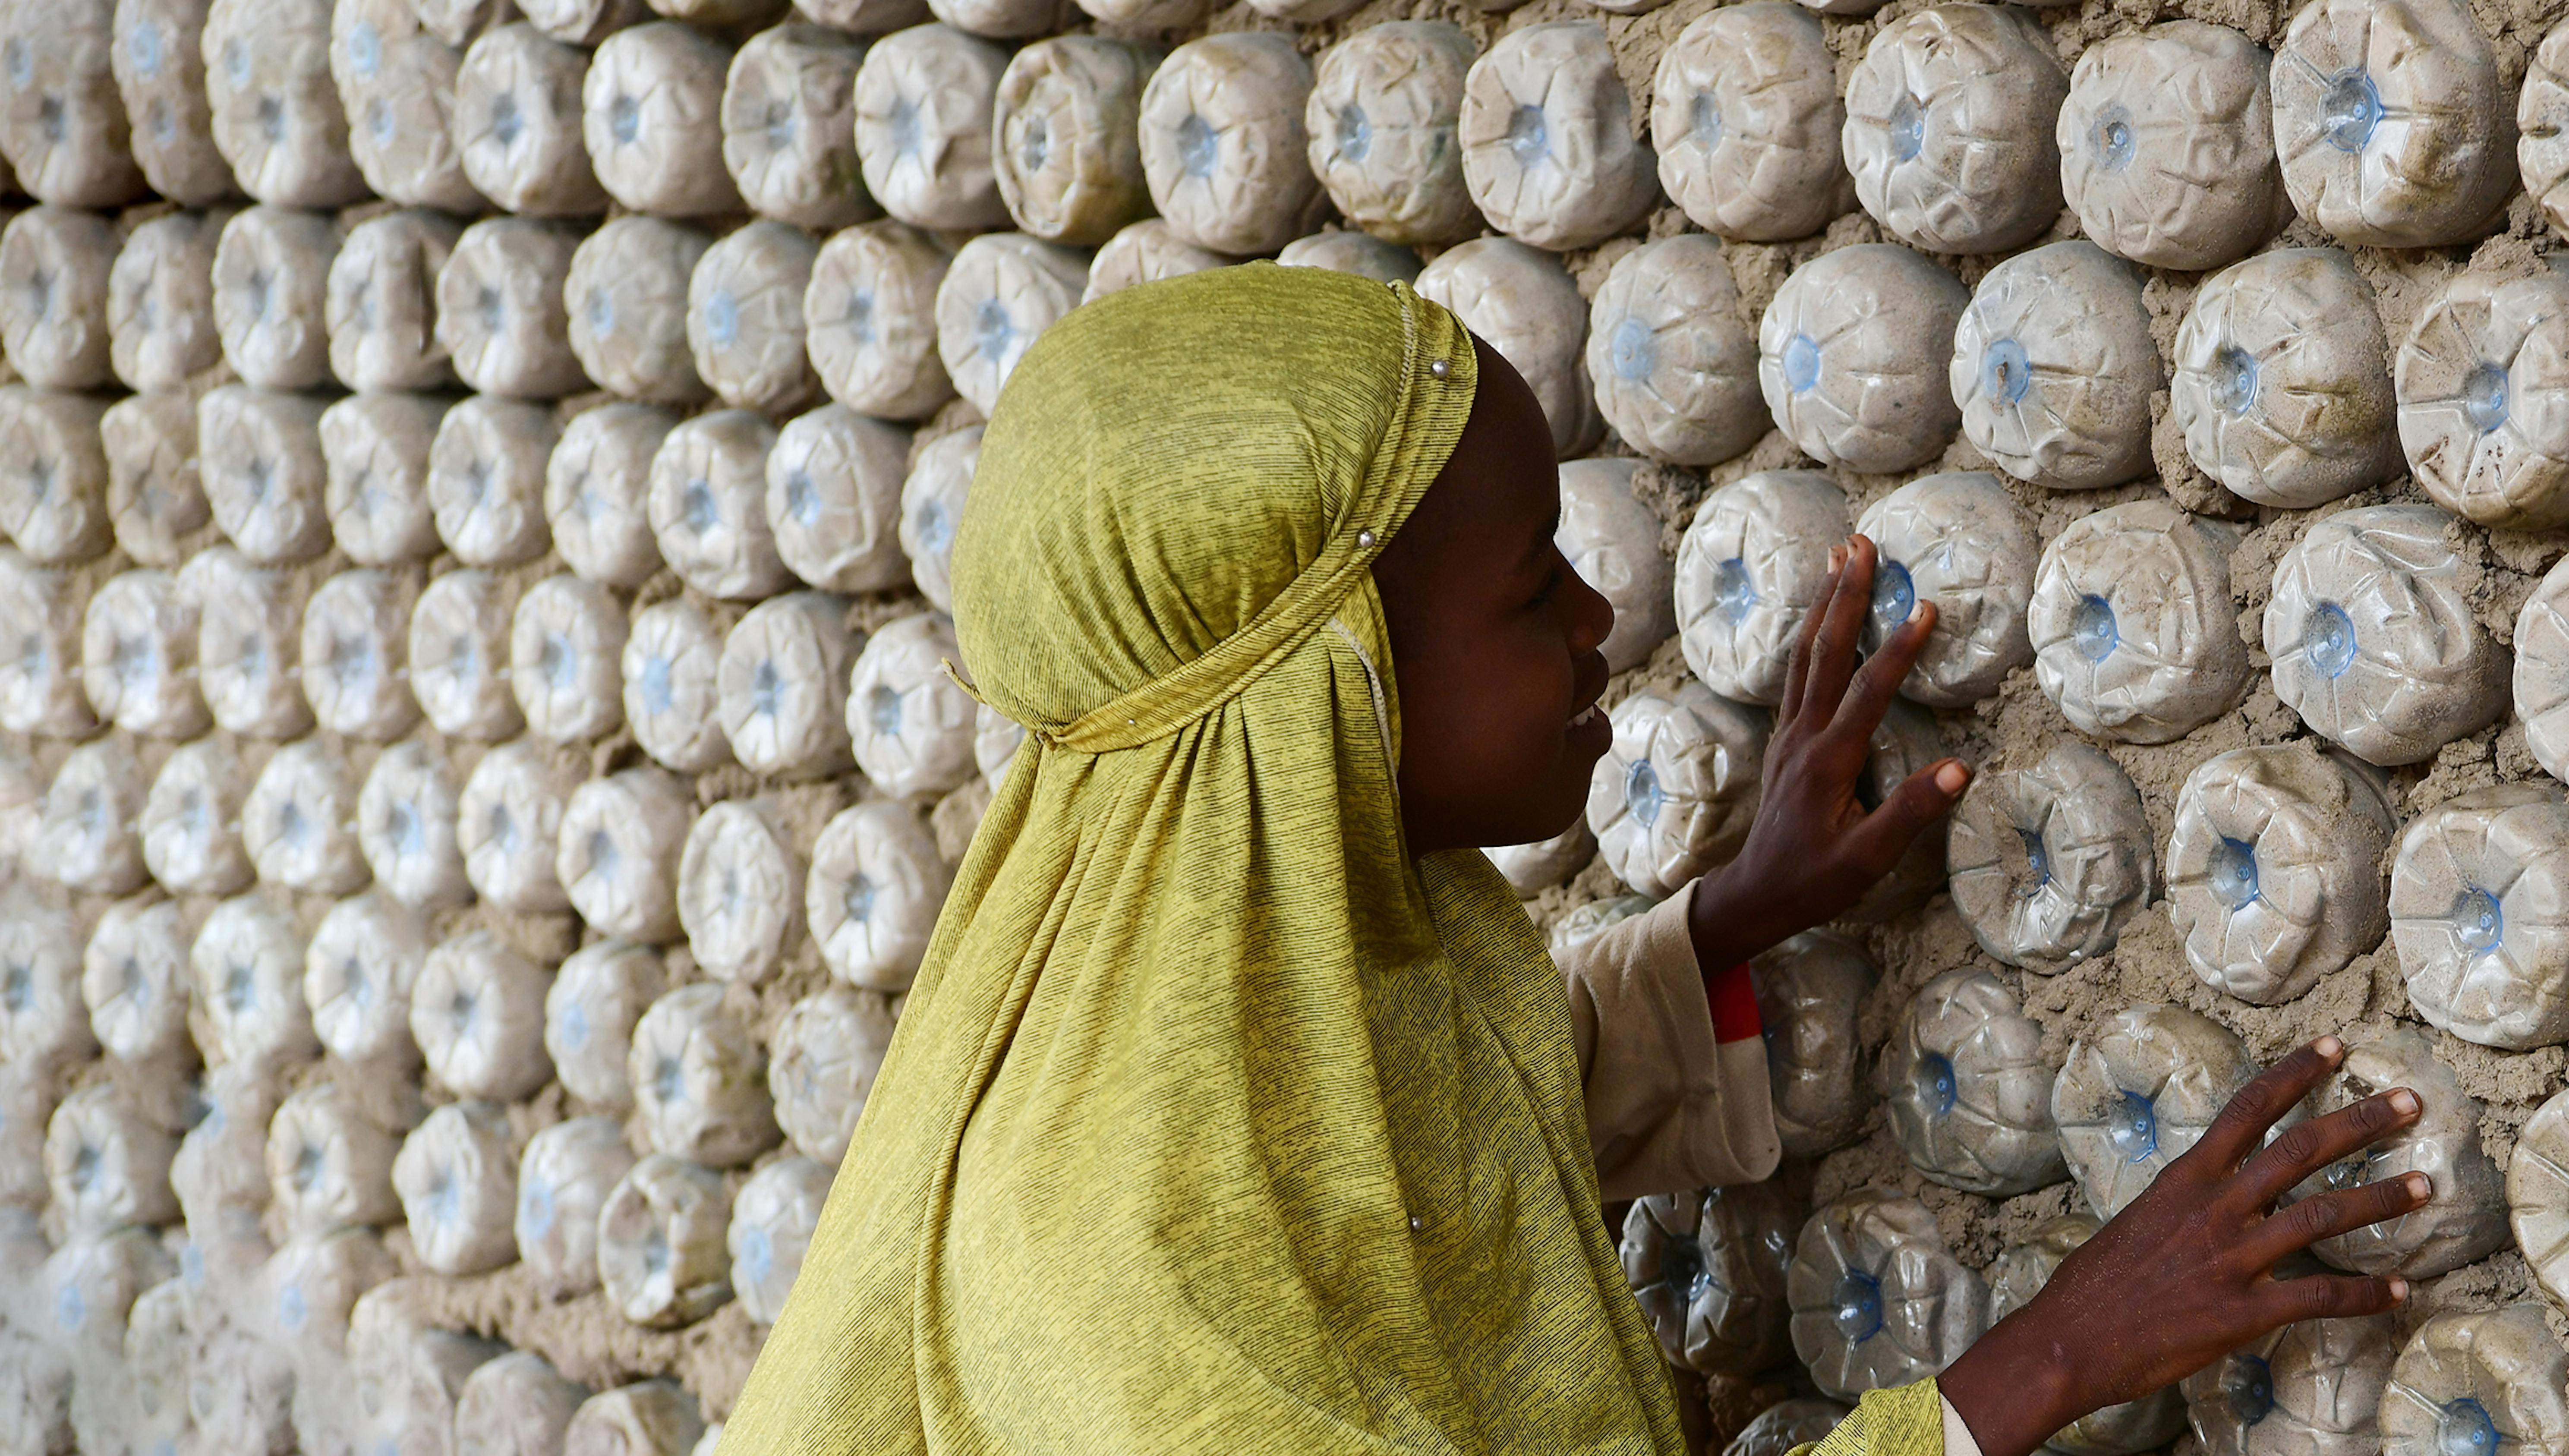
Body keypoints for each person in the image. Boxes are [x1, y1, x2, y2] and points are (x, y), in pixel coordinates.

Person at [719, 265, 2433, 1456]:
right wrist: (2044, 1360)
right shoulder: (1133, 1282)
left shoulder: (1267, 992)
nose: (1603, 623)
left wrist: (1739, 918)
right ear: (1339, 690)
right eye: (1531, 590)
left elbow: (1409, 1157)